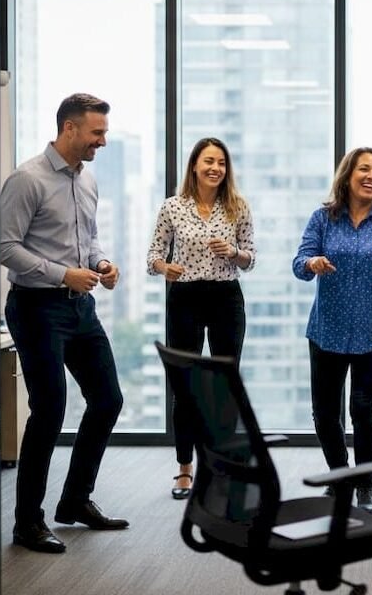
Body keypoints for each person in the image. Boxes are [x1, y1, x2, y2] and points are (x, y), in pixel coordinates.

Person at [0, 93, 128, 554]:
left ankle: (75, 500)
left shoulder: (87, 180)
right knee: (50, 409)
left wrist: (103, 264)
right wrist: (62, 274)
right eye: (97, 132)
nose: (103, 141)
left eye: (105, 132)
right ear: (69, 129)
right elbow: (7, 248)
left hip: (79, 307)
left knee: (108, 399)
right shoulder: (27, 179)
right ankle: (26, 523)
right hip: (36, 308)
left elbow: (87, 241)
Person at [292, 147, 372, 515]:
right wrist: (312, 262)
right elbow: (298, 264)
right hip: (327, 330)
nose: (371, 176)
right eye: (364, 169)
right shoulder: (323, 218)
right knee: (325, 413)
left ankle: (365, 485)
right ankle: (340, 478)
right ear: (348, 176)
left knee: (363, 410)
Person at [147, 137, 255, 500]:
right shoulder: (173, 207)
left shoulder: (237, 207)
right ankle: (184, 470)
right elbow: (153, 256)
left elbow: (251, 258)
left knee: (225, 387)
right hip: (186, 298)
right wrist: (166, 267)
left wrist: (234, 251)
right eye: (209, 161)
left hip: (226, 298)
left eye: (221, 163)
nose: (215, 169)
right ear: (194, 165)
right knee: (186, 387)